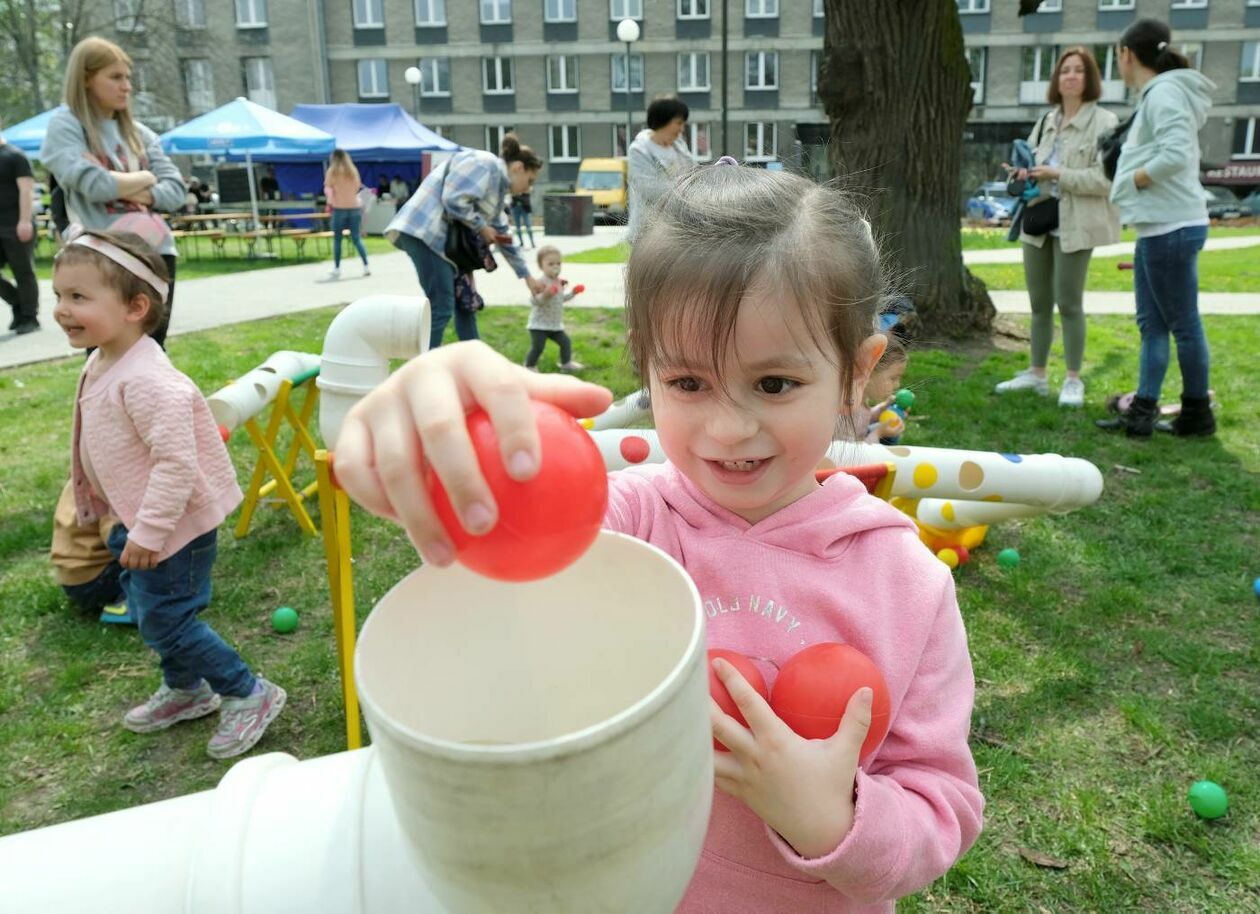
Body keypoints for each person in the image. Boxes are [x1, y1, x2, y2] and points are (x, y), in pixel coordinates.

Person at [334, 161, 984, 910]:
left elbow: (942, 806)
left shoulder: (904, 583)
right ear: (647, 365)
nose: (728, 428)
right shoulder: (622, 528)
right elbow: (494, 596)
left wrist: (828, 816)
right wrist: (444, 453)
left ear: (856, 374)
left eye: (775, 384)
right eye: (687, 383)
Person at [53, 227, 285, 759]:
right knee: (150, 610)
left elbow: (176, 464)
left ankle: (248, 693)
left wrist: (150, 531)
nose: (63, 310)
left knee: (168, 619)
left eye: (79, 297)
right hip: (133, 522)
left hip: (171, 530)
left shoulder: (151, 382)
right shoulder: (102, 359)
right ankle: (186, 690)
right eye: (59, 296)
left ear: (136, 307)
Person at [1096, 19, 1216, 438]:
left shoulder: (1164, 93)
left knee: (1182, 325)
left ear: (1128, 55)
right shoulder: (1160, 93)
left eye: (1117, 58)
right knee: (1154, 325)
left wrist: (1132, 180)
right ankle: (1144, 412)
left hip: (1172, 227)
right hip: (1159, 227)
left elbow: (1176, 153)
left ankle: (1196, 414)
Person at [40, 36, 186, 347]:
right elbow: (95, 185)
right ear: (86, 79)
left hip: (155, 252)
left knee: (150, 352)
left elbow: (176, 192)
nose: (127, 87)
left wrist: (121, 184)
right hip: (100, 257)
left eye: (128, 77)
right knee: (104, 357)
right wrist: (146, 177)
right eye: (116, 77)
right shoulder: (66, 127)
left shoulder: (140, 134)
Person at [996, 47, 1120, 408]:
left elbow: (1104, 180)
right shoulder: (1046, 121)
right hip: (1038, 219)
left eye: (1078, 71)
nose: (1070, 76)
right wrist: (1023, 173)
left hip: (1075, 224)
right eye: (1065, 70)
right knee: (1038, 304)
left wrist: (1057, 175)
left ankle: (1072, 379)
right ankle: (1036, 375)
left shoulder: (1105, 123)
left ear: (1090, 78)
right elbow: (1035, 166)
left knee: (1068, 303)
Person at [387, 134, 547, 349]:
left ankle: (475, 364)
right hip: (426, 233)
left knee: (465, 305)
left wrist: (528, 278)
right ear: (518, 167)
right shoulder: (485, 164)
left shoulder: (498, 192)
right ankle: (423, 369)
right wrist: (481, 227)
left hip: (443, 244)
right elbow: (453, 198)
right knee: (442, 305)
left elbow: (503, 237)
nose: (529, 188)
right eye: (530, 180)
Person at [50, 479, 132, 624]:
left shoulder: (93, 461)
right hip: (96, 578)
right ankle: (135, 604)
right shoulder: (116, 474)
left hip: (76, 575)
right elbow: (116, 536)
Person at [627, 96, 694, 243]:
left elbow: (693, 175)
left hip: (677, 229)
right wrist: (686, 193)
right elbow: (650, 189)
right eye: (678, 123)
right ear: (663, 121)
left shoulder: (679, 146)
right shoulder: (639, 150)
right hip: (648, 233)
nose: (682, 129)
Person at [0, 117, 40, 334]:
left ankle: (30, 316)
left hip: (16, 223)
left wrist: (24, 221)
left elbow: (26, 190)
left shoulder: (15, 156)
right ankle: (18, 303)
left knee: (23, 271)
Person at [524, 245, 586, 372]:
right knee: (538, 347)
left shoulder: (559, 282)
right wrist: (545, 295)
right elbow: (534, 301)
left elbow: (561, 299)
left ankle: (566, 363)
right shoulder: (540, 282)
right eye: (550, 264)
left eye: (558, 263)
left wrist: (573, 292)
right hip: (539, 325)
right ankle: (529, 366)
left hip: (554, 325)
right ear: (541, 266)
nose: (555, 266)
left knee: (565, 342)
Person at [324, 148, 371, 280]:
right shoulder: (352, 170)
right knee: (356, 238)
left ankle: (337, 269)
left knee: (337, 240)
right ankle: (366, 266)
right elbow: (357, 187)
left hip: (339, 208)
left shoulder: (332, 171)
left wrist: (330, 202)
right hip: (354, 207)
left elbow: (328, 189)